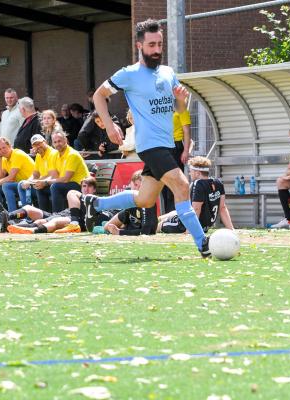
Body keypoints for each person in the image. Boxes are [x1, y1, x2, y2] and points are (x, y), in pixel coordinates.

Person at [87, 18, 210, 257]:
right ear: (139, 46)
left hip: (168, 144)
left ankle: (96, 204)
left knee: (145, 199)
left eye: (160, 44)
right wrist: (110, 125)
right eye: (151, 45)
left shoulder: (168, 72)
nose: (156, 50)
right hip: (150, 145)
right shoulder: (129, 74)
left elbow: (179, 110)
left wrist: (182, 101)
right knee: (182, 186)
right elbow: (99, 96)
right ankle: (202, 243)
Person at [2, 176, 112, 234]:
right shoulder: (78, 197)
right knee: (28, 208)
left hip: (75, 220)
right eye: (84, 186)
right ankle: (8, 217)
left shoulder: (96, 200)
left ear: (94, 189)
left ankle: (20, 228)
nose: (86, 189)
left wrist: (74, 220)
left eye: (89, 186)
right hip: (62, 214)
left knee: (47, 221)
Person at [158, 156, 233, 234]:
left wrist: (189, 231)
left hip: (188, 225)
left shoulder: (198, 184)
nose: (190, 173)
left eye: (191, 171)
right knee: (173, 213)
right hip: (204, 226)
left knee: (158, 225)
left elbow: (196, 209)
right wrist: (231, 229)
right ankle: (157, 219)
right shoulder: (218, 183)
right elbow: (222, 208)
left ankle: (151, 225)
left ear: (197, 173)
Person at [0, 137, 35, 228]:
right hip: (20, 185)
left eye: (4, 147)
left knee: (6, 185)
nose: (2, 150)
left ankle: (12, 217)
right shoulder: (4, 159)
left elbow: (11, 177)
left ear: (10, 146)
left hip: (31, 184)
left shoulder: (17, 154)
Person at [45, 131, 90, 212]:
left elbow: (66, 179)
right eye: (55, 142)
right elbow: (55, 177)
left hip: (81, 185)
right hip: (67, 184)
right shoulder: (54, 155)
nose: (57, 144)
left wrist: (46, 182)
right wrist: (43, 183)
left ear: (65, 140)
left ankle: (57, 215)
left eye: (59, 141)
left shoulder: (72, 154)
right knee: (41, 188)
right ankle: (45, 215)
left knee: (55, 187)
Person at [162, 98, 192, 213]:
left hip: (176, 145)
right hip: (164, 145)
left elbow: (187, 131)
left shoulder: (182, 109)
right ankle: (167, 213)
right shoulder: (163, 109)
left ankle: (175, 212)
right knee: (164, 181)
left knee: (175, 180)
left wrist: (186, 150)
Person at [104, 170, 156, 236]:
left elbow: (147, 231)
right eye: (135, 185)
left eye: (140, 187)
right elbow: (107, 227)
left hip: (142, 225)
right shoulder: (129, 199)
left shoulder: (147, 203)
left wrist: (120, 232)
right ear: (131, 183)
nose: (137, 189)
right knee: (106, 227)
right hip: (129, 217)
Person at [18, 134, 58, 211]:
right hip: (42, 182)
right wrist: (28, 181)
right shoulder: (38, 156)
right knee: (21, 184)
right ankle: (27, 215)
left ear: (45, 142)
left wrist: (36, 181)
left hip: (52, 183)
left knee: (39, 187)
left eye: (39, 143)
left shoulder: (52, 153)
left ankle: (41, 215)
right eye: (35, 145)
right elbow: (35, 174)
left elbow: (53, 175)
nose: (38, 146)